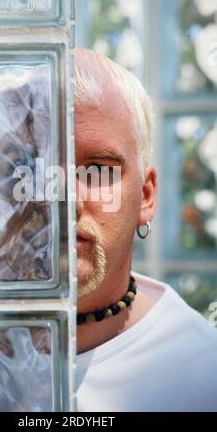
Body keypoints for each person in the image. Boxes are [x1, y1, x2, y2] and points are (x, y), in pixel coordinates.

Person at [75, 48, 217, 412]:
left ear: (146, 196)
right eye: (32, 165)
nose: (67, 198)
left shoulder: (201, 374)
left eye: (99, 170)